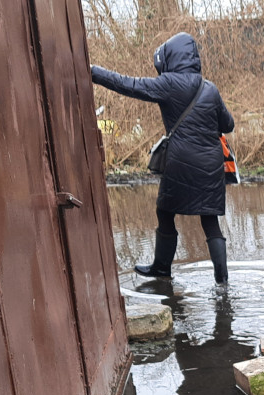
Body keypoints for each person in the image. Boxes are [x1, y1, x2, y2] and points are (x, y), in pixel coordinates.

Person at [91, 32, 235, 284]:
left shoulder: (168, 83)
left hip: (181, 162)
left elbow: (129, 84)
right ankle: (222, 281)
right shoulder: (210, 88)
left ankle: (162, 268)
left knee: (165, 211)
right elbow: (228, 124)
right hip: (211, 164)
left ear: (172, 57)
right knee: (210, 220)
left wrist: (93, 71)